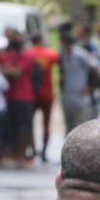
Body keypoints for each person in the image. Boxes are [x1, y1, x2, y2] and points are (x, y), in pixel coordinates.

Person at [0, 29, 37, 167]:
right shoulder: (12, 54)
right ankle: (14, 154)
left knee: (23, 127)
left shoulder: (27, 56)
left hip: (24, 97)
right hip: (11, 96)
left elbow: (16, 73)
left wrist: (5, 70)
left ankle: (22, 154)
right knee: (12, 127)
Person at [59, 23, 100, 132]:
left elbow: (96, 69)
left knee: (81, 131)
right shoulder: (64, 54)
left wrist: (91, 87)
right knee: (69, 131)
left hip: (81, 99)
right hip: (68, 98)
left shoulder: (81, 53)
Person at [26, 29, 60, 161]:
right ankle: (44, 152)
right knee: (46, 124)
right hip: (47, 94)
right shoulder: (50, 54)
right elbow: (60, 61)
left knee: (29, 123)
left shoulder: (28, 54)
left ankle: (33, 149)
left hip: (31, 94)